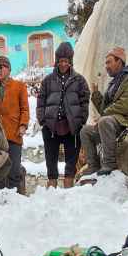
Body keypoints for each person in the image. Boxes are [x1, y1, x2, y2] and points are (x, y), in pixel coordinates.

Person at [80, 47, 128, 176]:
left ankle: (109, 163)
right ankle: (93, 165)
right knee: (85, 131)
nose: (106, 66)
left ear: (119, 62)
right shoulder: (114, 84)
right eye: (106, 63)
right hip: (111, 123)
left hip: (126, 121)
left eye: (109, 62)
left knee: (104, 121)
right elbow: (105, 110)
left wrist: (104, 115)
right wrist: (96, 95)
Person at [37, 42, 89, 189]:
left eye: (66, 61)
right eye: (61, 61)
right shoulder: (48, 80)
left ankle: (68, 192)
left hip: (72, 127)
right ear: (57, 61)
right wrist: (43, 120)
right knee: (51, 162)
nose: (63, 64)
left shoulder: (79, 80)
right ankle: (51, 192)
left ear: (70, 61)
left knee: (71, 163)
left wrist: (81, 120)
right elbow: (40, 101)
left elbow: (85, 100)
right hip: (51, 127)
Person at [0, 55, 29, 195]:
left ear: (9, 69)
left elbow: (25, 109)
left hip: (14, 134)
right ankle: (1, 202)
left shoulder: (19, 86)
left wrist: (23, 125)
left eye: (1, 67)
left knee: (14, 171)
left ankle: (17, 200)